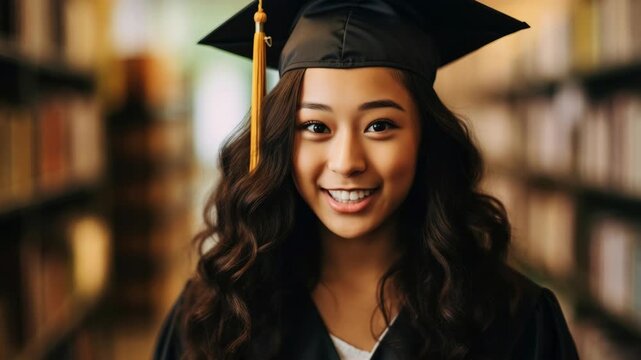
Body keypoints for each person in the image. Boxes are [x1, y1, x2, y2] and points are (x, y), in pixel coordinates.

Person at [154, 0, 579, 359]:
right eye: (316, 128)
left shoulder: (513, 321)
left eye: (379, 126)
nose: (347, 162)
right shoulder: (218, 316)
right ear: (281, 140)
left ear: (424, 138)